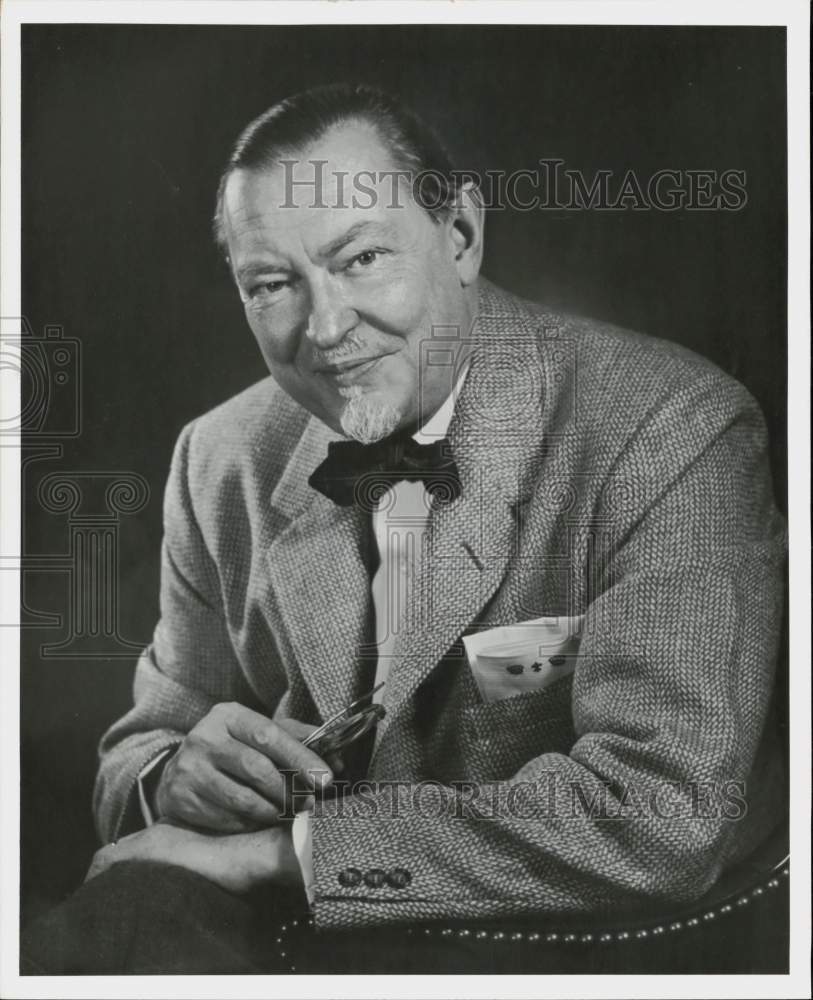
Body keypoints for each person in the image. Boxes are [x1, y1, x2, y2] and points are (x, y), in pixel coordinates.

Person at [21, 83, 787, 974]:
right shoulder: (219, 454)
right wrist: (171, 777)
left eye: (362, 258)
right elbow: (138, 749)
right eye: (272, 285)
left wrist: (279, 853)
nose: (326, 327)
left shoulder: (670, 427)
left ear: (459, 236)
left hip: (572, 946)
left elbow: (660, 813)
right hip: (294, 944)